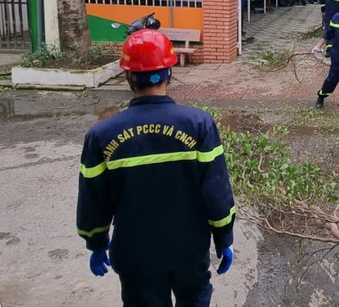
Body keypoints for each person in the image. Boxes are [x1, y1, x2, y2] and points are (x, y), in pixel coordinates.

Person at [76, 29, 236, 306]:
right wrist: (224, 239)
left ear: (128, 76)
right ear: (169, 72)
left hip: (135, 254)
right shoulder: (199, 125)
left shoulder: (101, 136)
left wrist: (96, 243)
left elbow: (93, 201)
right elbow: (216, 193)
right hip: (189, 251)